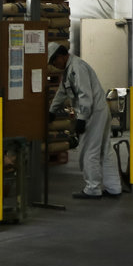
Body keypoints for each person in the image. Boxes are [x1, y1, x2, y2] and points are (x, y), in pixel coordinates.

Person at [47, 42, 122, 200]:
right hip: (99, 110)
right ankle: (114, 187)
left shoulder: (77, 67)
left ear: (61, 56)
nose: (54, 65)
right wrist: (52, 110)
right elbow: (62, 92)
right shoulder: (69, 70)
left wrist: (82, 119)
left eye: (54, 61)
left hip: (93, 112)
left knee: (89, 150)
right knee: (104, 150)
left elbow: (85, 95)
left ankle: (93, 188)